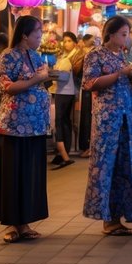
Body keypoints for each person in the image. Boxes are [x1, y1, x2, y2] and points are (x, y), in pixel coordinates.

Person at [83, 16, 132, 236]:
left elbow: (131, 90)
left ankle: (119, 216)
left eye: (128, 34)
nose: (126, 38)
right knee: (106, 167)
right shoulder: (95, 55)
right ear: (110, 34)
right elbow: (90, 84)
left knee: (125, 166)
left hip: (127, 117)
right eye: (123, 34)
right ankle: (108, 219)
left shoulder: (123, 56)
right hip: (106, 119)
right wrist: (120, 73)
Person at [0, 16, 53, 243]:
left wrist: (45, 79)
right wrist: (36, 79)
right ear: (25, 35)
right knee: (12, 176)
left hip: (35, 126)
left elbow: (40, 82)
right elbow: (6, 86)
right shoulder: (7, 56)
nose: (41, 37)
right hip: (13, 126)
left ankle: (25, 223)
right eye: (37, 33)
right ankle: (11, 225)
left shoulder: (36, 56)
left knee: (29, 176)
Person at [51, 32, 79, 169]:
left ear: (74, 42)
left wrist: (51, 74)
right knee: (64, 122)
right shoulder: (65, 56)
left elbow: (64, 77)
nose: (66, 43)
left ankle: (64, 153)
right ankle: (63, 152)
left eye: (69, 40)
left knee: (60, 122)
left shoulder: (73, 57)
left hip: (65, 92)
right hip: (65, 92)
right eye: (65, 41)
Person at [74, 33, 95, 157]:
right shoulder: (84, 53)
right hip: (86, 89)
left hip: (90, 90)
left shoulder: (90, 53)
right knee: (86, 117)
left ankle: (88, 147)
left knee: (88, 117)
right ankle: (87, 146)